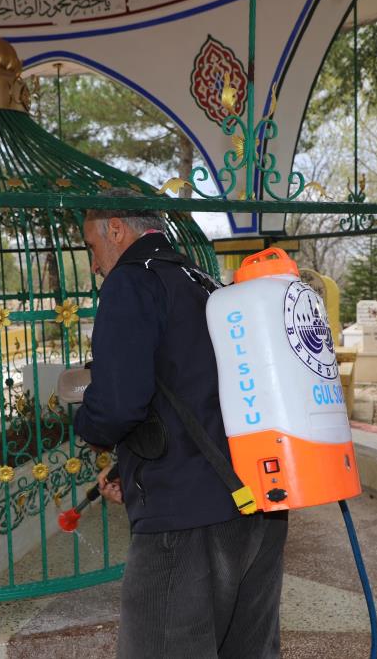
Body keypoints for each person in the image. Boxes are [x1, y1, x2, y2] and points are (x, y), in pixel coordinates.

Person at [73, 192, 288, 658]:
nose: (94, 264)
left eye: (91, 246)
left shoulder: (131, 282)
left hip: (186, 518)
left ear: (116, 229)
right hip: (255, 502)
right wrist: (132, 468)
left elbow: (116, 405)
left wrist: (87, 426)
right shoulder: (201, 280)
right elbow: (192, 393)